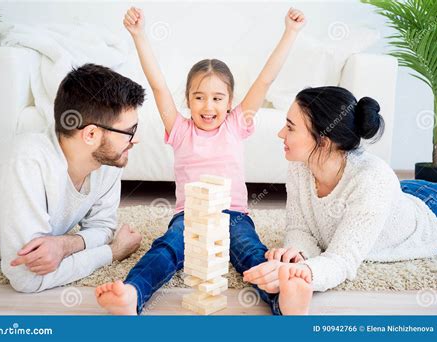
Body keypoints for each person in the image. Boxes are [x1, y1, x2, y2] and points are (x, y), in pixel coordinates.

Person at [95, 6, 306, 315]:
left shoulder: (236, 124)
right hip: (189, 217)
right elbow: (158, 86)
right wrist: (139, 36)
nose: (208, 106)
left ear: (230, 102)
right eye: (199, 97)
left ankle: (283, 300)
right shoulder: (180, 130)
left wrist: (290, 32)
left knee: (250, 252)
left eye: (218, 98)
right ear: (188, 99)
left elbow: (264, 81)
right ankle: (132, 293)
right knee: (167, 248)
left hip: (233, 215)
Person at [244, 86, 437, 314]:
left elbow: (342, 259)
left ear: (323, 142)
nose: (281, 133)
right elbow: (299, 227)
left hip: (431, 211)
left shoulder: (373, 181)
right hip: (397, 195)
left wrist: (307, 271)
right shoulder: (299, 165)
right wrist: (297, 254)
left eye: (290, 127)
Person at [0, 64, 145, 293]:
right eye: (130, 132)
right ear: (90, 134)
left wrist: (64, 244)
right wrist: (112, 252)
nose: (136, 139)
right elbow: (27, 279)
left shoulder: (109, 160)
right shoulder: (27, 161)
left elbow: (103, 227)